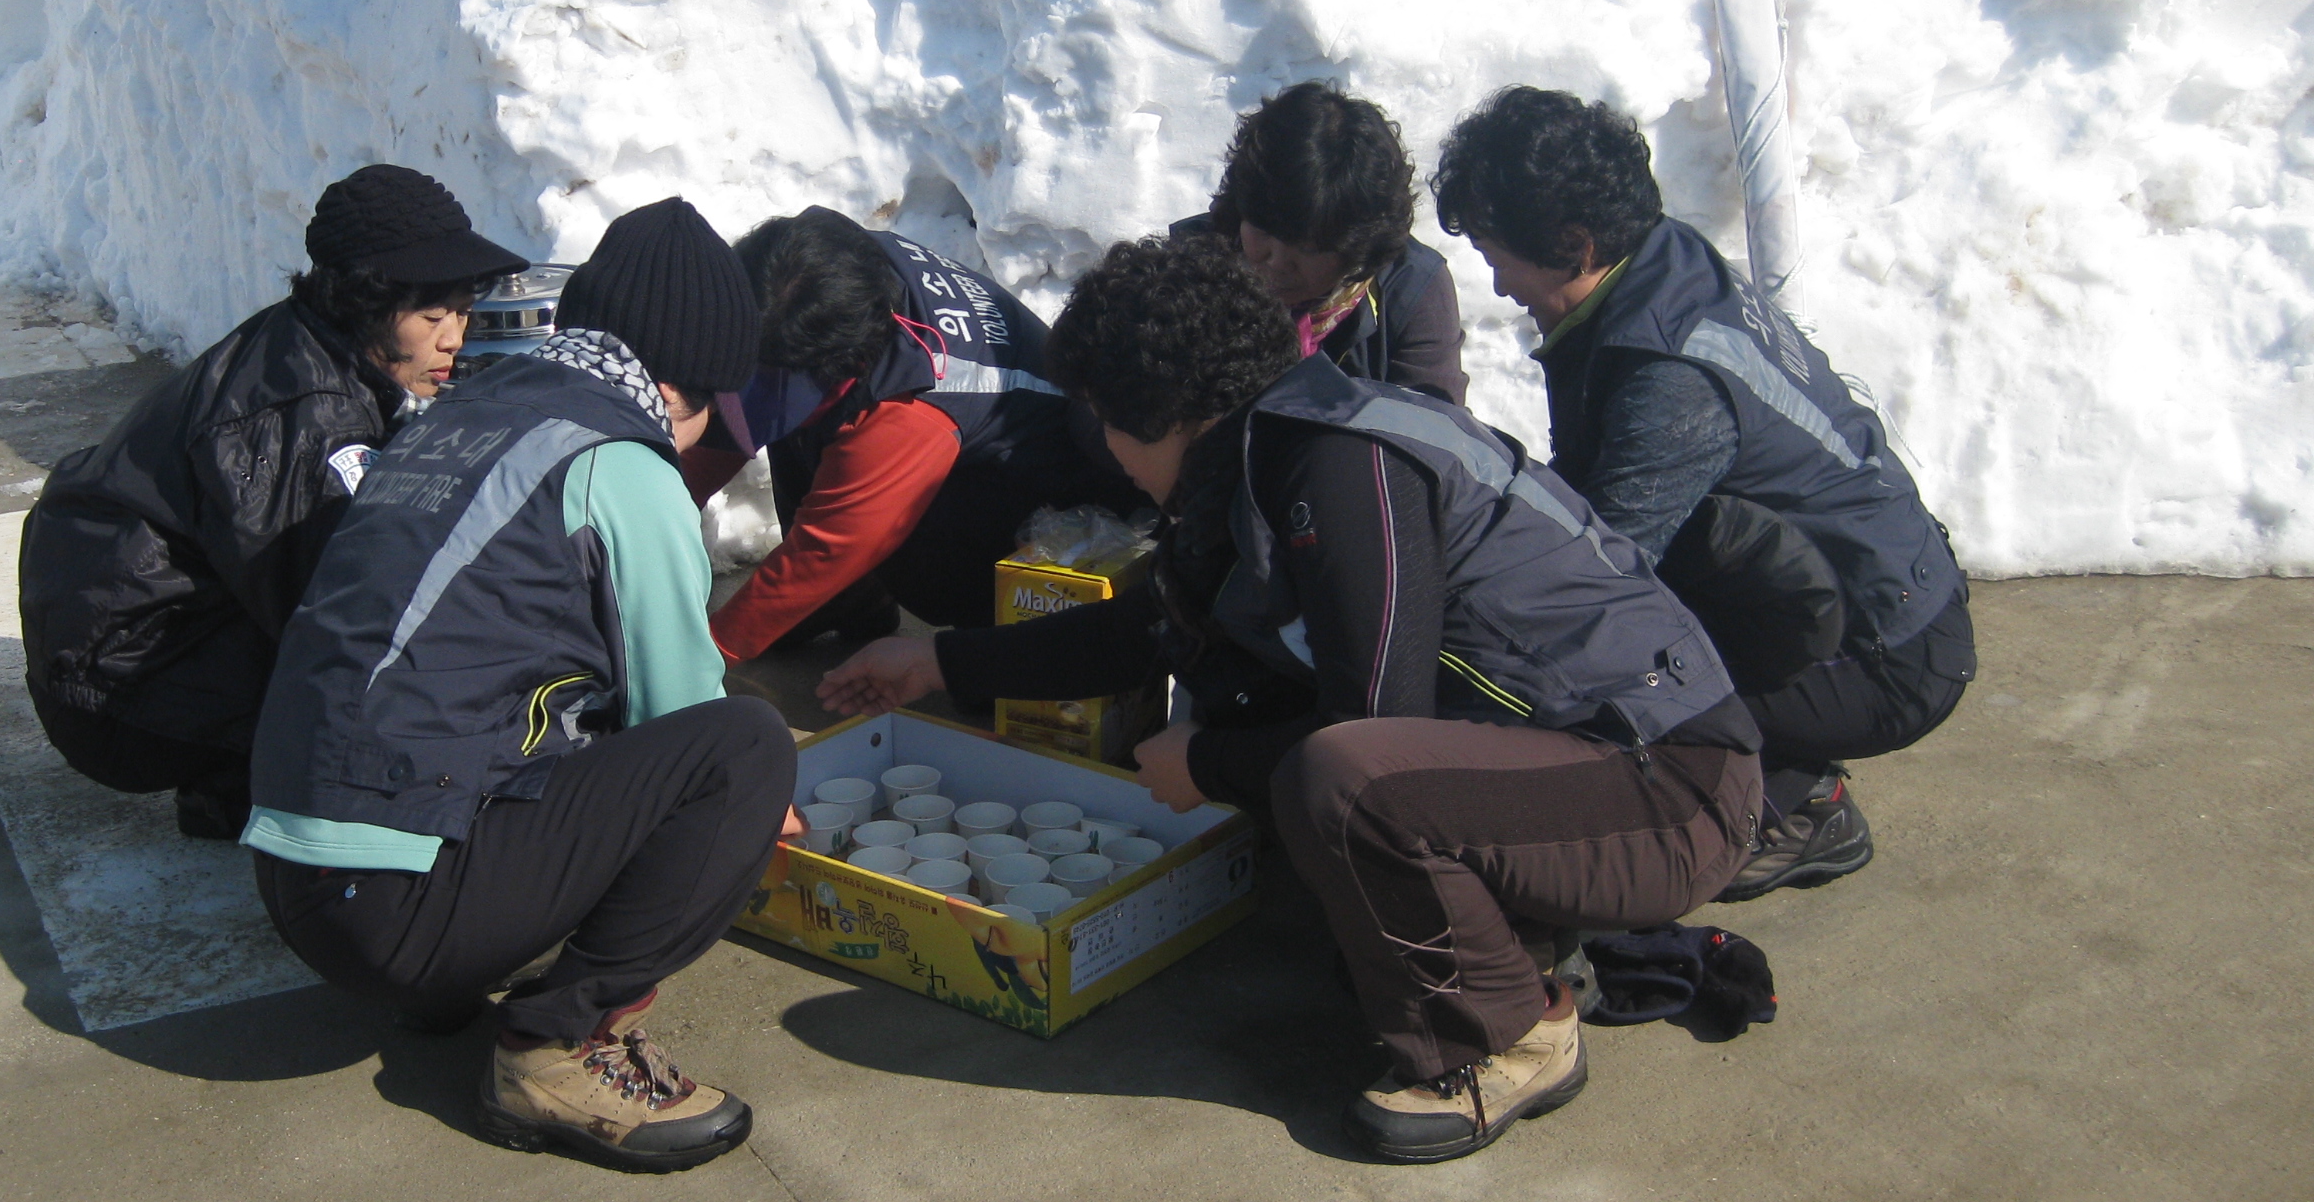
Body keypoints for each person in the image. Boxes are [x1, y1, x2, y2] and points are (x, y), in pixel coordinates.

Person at [821, 239, 1762, 1164]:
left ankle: (1507, 1039)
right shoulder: (1263, 453)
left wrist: (1207, 763)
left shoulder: (1340, 466)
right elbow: (1151, 625)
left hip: (1668, 788)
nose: (1105, 447)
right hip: (1567, 766)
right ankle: (1510, 934)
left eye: (1108, 420)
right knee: (1316, 808)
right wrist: (940, 661)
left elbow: (1377, 727)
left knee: (1342, 781)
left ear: (1169, 414)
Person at [244, 198, 796, 1175]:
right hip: (400, 908)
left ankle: (447, 980)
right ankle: (555, 1047)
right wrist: (753, 819)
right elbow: (681, 709)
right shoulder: (619, 463)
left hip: (297, 877)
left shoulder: (455, 420)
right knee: (742, 749)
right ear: (681, 385)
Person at [1431, 86, 1975, 900]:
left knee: (1617, 680)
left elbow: (1600, 579)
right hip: (1858, 592)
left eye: (1498, 256)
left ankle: (1796, 803)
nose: (1501, 285)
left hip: (1886, 658)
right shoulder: (1654, 259)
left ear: (1575, 245)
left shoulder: (1668, 379)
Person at [20, 165, 528, 839]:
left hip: (118, 654)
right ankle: (276, 789)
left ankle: (231, 783)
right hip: (118, 697)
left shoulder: (307, 342)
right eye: (433, 316)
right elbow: (331, 618)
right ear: (363, 300)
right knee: (377, 659)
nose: (454, 338)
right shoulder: (304, 417)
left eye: (462, 312)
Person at [684, 207, 1140, 663]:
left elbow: (830, 546)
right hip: (927, 433)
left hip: (1043, 510)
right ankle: (847, 601)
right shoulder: (822, 266)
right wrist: (658, 512)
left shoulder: (911, 404)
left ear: (852, 364)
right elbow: (736, 414)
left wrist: (700, 657)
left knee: (867, 491)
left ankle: (977, 630)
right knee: (795, 411)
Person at [1172, 80, 1468, 404]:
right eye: (1263, 231)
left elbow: (1431, 427)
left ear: (1357, 249)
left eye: (1308, 248)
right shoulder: (1187, 268)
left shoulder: (1411, 290)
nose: (1277, 262)